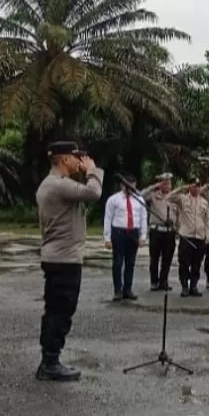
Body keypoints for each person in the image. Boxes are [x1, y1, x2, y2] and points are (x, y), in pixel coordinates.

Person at [35, 141, 103, 381]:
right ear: (64, 160)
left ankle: (50, 359)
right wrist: (93, 170)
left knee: (57, 309)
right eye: (76, 157)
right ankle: (50, 363)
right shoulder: (57, 184)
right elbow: (94, 193)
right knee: (60, 311)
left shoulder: (54, 184)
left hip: (61, 257)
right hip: (63, 259)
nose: (80, 161)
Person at [103, 173, 147, 301]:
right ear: (122, 186)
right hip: (119, 232)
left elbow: (143, 218)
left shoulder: (139, 200)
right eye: (128, 186)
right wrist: (107, 238)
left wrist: (143, 235)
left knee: (130, 263)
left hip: (133, 232)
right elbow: (108, 218)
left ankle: (128, 289)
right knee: (117, 262)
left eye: (132, 187)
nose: (130, 189)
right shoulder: (113, 199)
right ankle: (118, 290)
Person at [167, 178, 209, 297]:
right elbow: (169, 197)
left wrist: (208, 235)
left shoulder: (204, 202)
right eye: (194, 186)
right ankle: (184, 287)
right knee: (184, 263)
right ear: (189, 187)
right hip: (186, 236)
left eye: (198, 186)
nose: (196, 188)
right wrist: (182, 188)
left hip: (200, 237)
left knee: (197, 263)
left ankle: (193, 286)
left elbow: (208, 220)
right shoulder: (182, 199)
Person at [141, 173, 177, 292]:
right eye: (165, 183)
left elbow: (179, 214)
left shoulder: (175, 197)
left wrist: (175, 224)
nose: (168, 185)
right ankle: (154, 282)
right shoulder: (153, 196)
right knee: (155, 258)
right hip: (157, 231)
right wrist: (154, 186)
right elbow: (141, 195)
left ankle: (163, 281)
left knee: (167, 259)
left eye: (169, 182)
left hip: (170, 231)